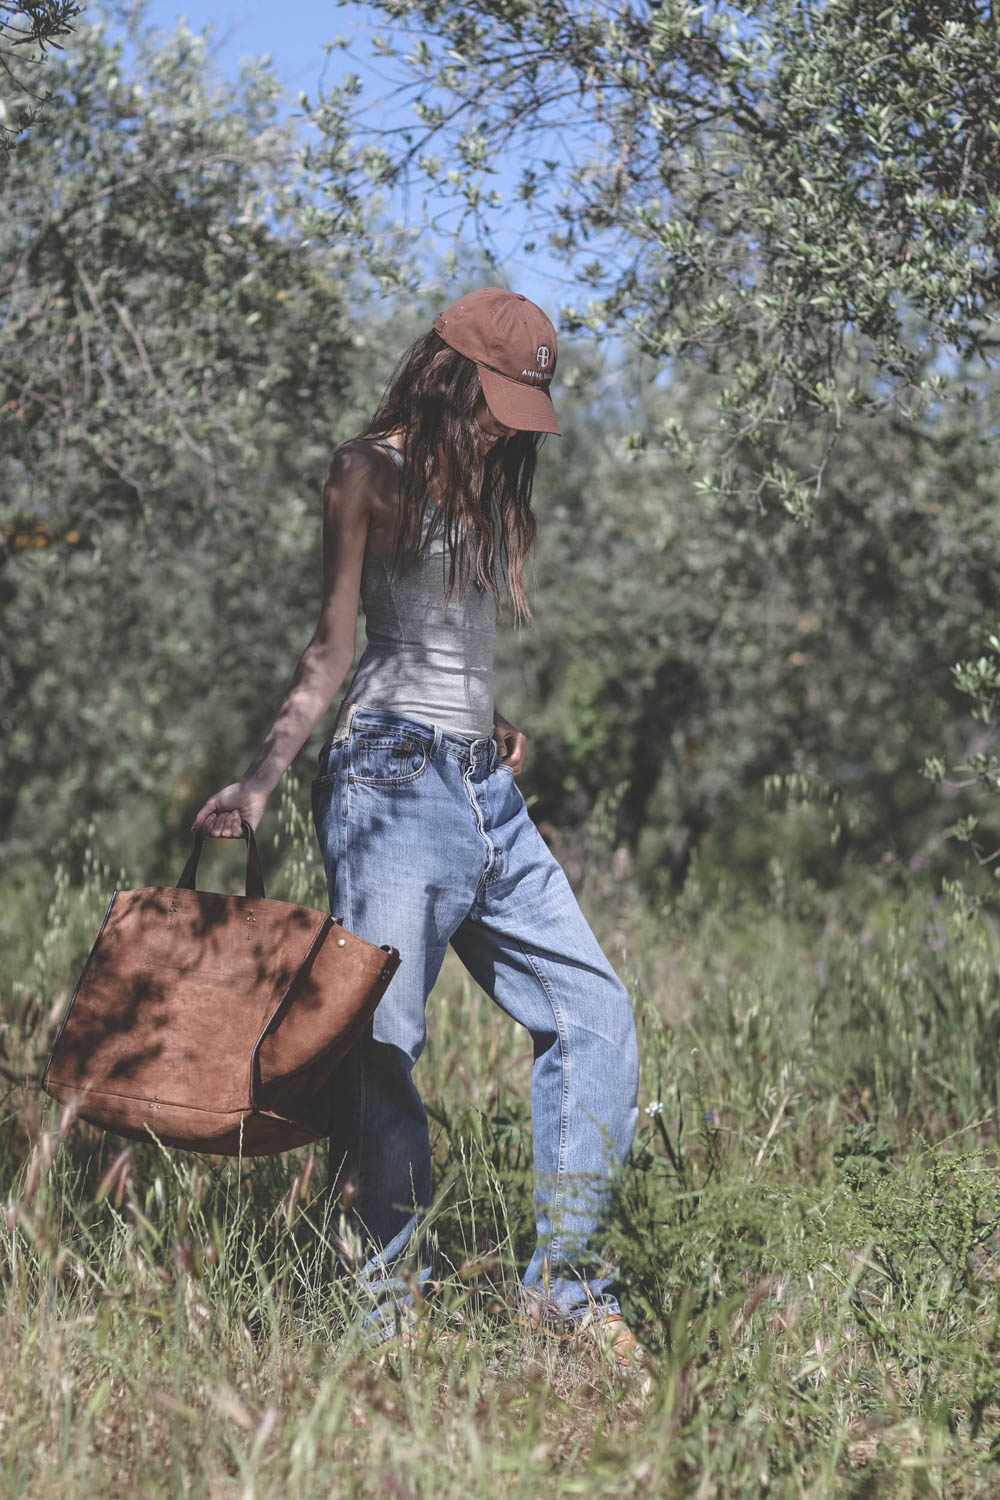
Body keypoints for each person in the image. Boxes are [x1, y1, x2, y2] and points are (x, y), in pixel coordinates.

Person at [192, 287, 642, 1371]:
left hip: (485, 790)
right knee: (381, 1041)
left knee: (595, 1013)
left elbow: (433, 637)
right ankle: (387, 1323)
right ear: (446, 374)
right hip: (390, 779)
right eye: (490, 402)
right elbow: (335, 648)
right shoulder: (370, 470)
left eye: (514, 411)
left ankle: (565, 1300)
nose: (500, 427)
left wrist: (484, 715)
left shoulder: (475, 474)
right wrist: (259, 780)